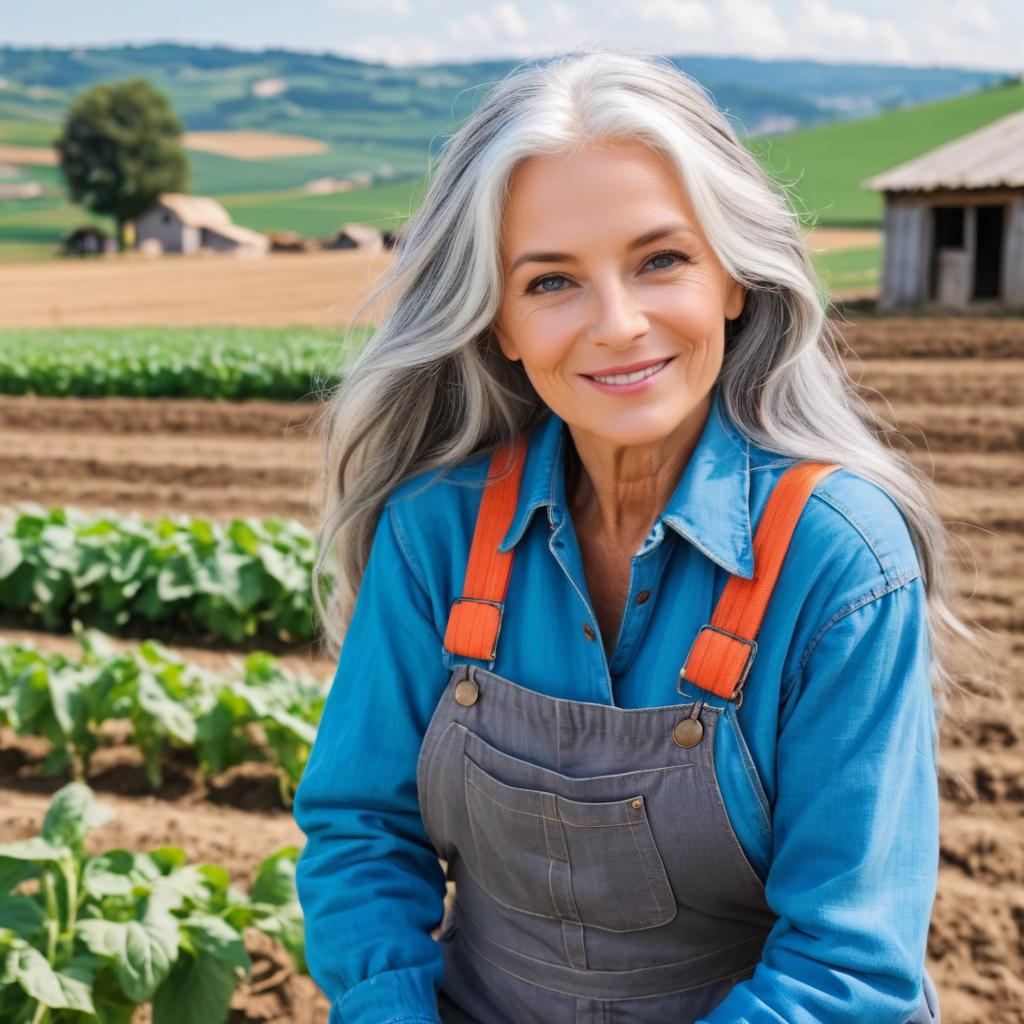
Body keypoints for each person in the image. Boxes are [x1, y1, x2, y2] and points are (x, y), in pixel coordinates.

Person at [293, 46, 973, 1024]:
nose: (616, 324)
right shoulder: (434, 530)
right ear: (498, 325)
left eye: (661, 261)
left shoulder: (839, 558)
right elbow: (361, 830)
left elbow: (846, 963)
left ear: (733, 280)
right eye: (550, 282)